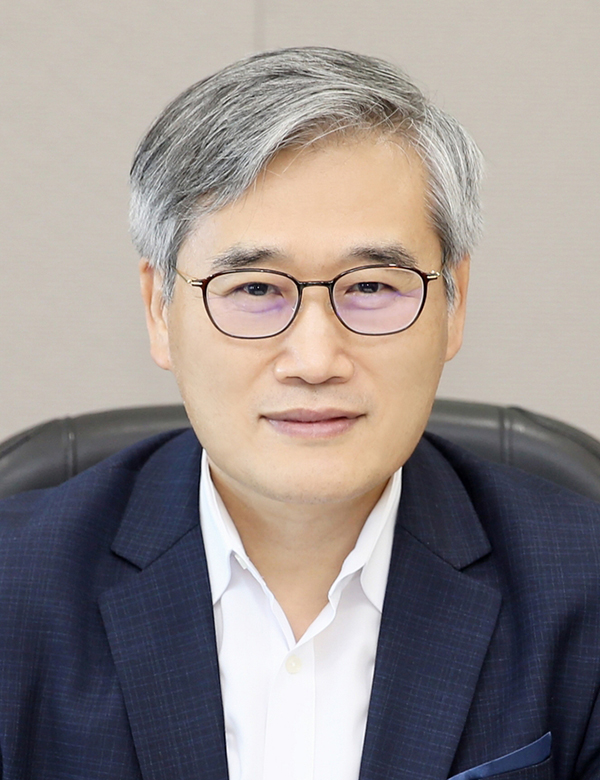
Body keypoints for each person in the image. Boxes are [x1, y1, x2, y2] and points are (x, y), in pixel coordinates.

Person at [1, 46, 599, 780]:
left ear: (454, 303)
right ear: (159, 310)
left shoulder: (583, 595)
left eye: (372, 286)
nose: (315, 360)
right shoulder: (14, 593)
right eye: (255, 289)